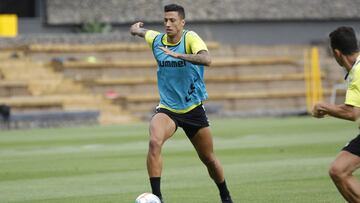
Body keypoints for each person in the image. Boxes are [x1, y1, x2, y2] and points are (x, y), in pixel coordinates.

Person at [130, 3, 233, 203]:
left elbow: (207, 59)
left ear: (182, 22)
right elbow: (142, 32)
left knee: (209, 159)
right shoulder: (157, 40)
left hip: (193, 108)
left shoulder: (190, 38)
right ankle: (157, 198)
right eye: (165, 20)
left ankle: (225, 196)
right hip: (168, 110)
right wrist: (135, 30)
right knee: (154, 142)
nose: (168, 24)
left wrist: (180, 55)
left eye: (172, 20)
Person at [313, 26, 360, 202]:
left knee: (339, 171)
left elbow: (352, 113)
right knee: (338, 170)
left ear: (337, 53)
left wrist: (323, 106)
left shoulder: (358, 72)